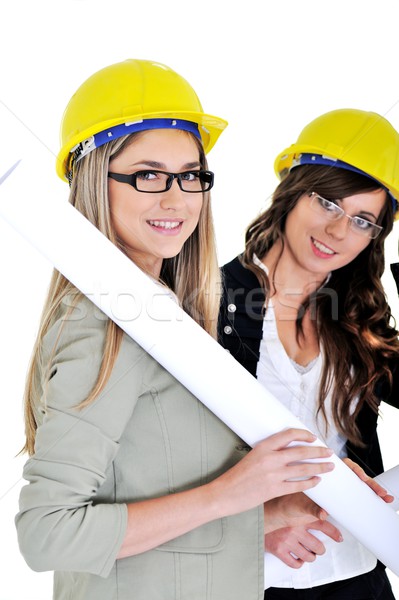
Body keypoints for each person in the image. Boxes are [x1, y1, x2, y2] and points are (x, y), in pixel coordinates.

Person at [14, 59, 340, 600]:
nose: (176, 198)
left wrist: (261, 518)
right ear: (97, 180)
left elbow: (148, 491)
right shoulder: (105, 322)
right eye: (148, 175)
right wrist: (230, 495)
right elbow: (48, 534)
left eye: (190, 175)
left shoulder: (167, 314)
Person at [218, 108, 399, 599]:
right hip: (248, 577)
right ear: (292, 193)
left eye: (363, 221)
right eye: (328, 203)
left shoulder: (360, 321)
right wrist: (254, 521)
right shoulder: (209, 300)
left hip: (356, 573)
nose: (339, 232)